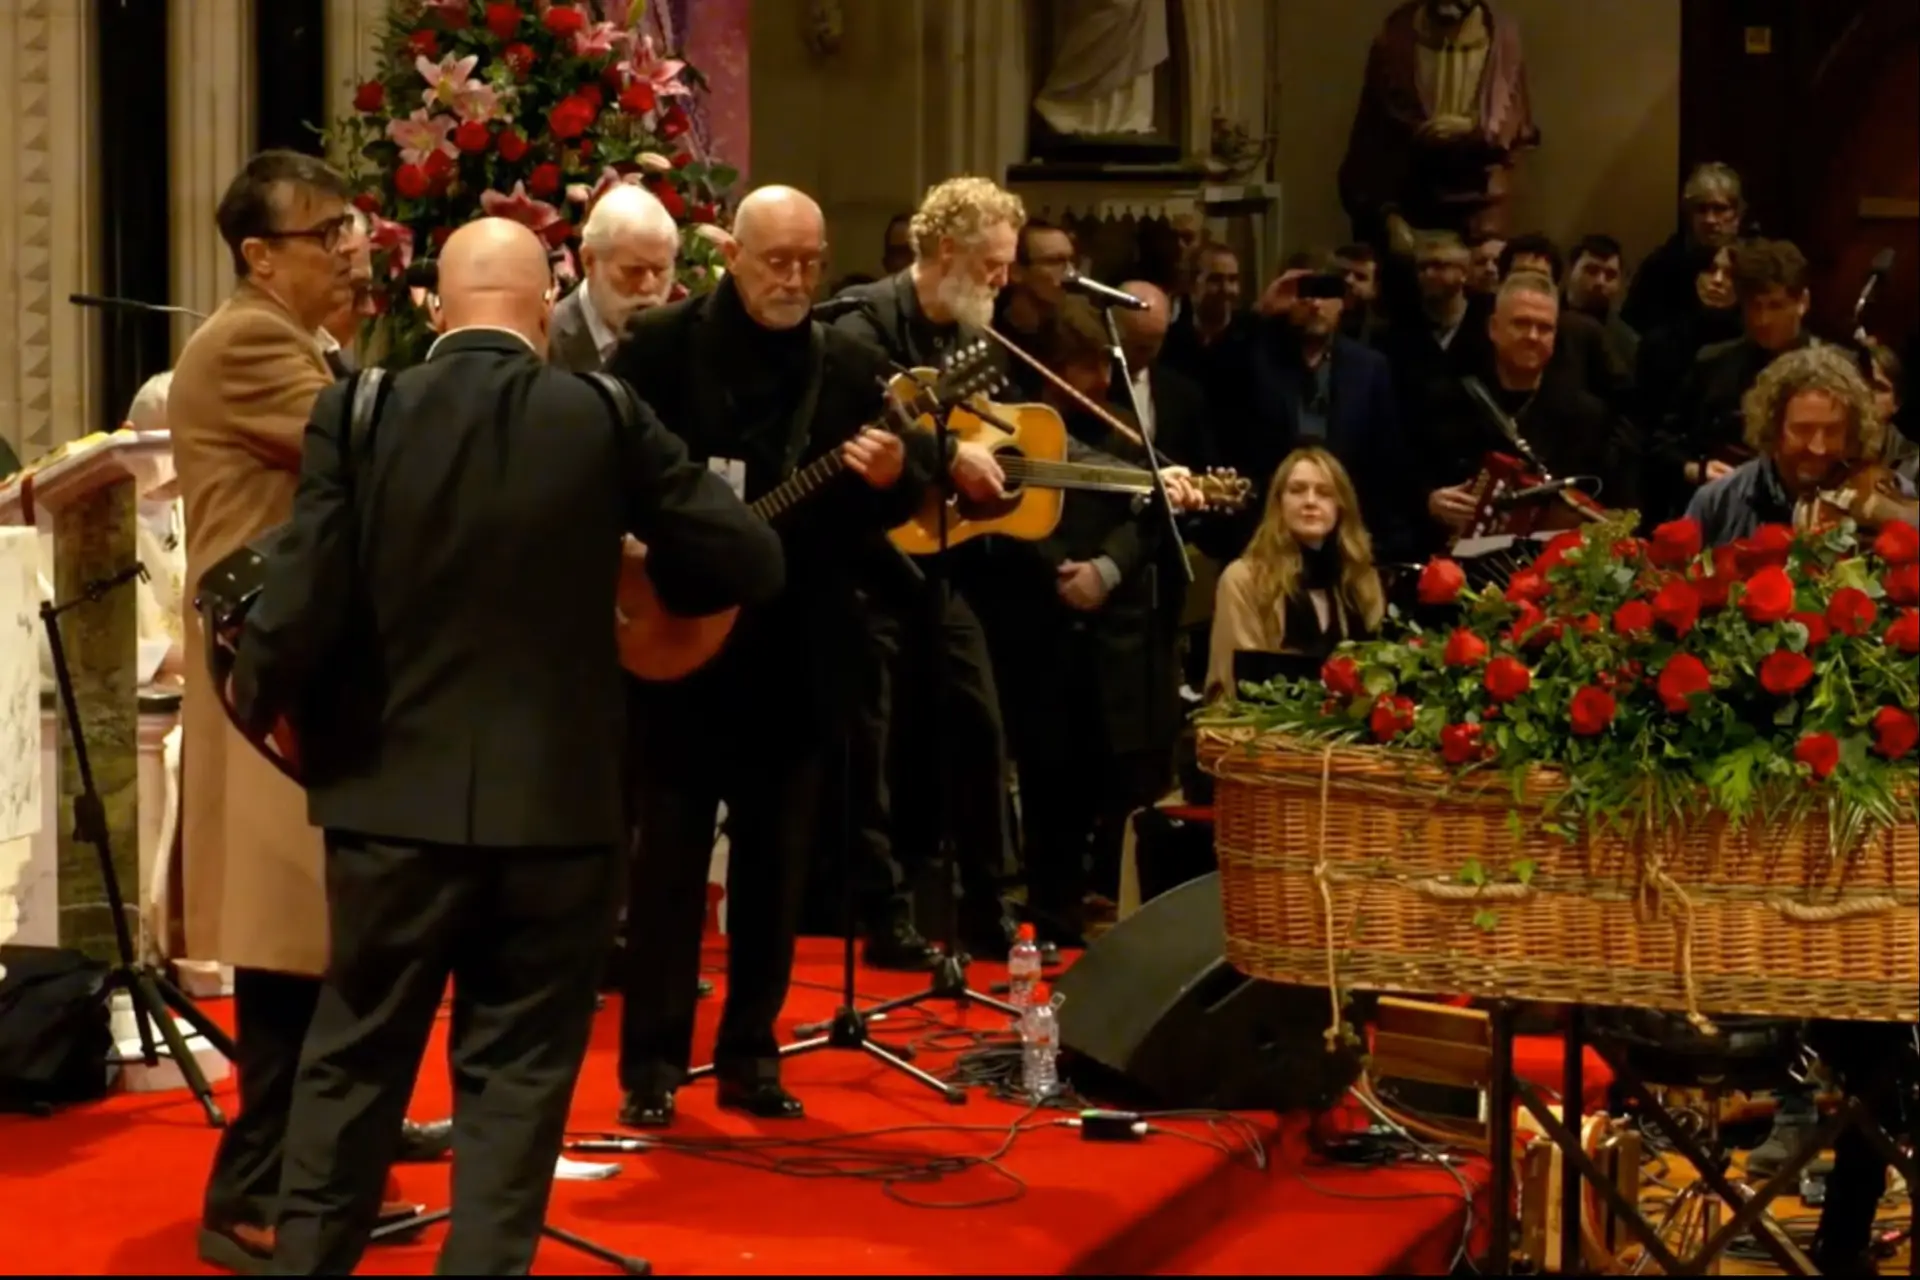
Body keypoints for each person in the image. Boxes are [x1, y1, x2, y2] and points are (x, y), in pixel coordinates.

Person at [229, 217, 783, 1274]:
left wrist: (263, 707)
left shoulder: (365, 407)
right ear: (543, 304)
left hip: (389, 804)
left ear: (438, 306)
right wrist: (640, 581)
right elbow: (747, 556)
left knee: (353, 1061)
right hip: (561, 812)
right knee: (517, 1077)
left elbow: (297, 599)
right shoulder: (604, 411)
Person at [167, 150, 443, 1276]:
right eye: (327, 232)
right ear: (259, 253)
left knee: (331, 938)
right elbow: (375, 449)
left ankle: (339, 1153)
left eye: (351, 227)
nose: (350, 247)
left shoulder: (301, 340)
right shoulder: (246, 341)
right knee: (292, 948)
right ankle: (252, 1192)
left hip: (307, 673)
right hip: (264, 679)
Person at [609, 185, 938, 1128]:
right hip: (677, 645)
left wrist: (894, 477)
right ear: (735, 258)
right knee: (667, 866)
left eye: (809, 261)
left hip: (797, 650)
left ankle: (751, 1051)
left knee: (773, 868)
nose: (794, 279)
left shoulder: (851, 361)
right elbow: (613, 471)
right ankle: (653, 1066)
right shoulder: (663, 348)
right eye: (775, 261)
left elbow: (901, 490)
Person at [1687, 343, 1912, 547]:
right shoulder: (1717, 502)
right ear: (1773, 428)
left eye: (1832, 430)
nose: (1818, 448)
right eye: (1802, 430)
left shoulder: (1887, 491)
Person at [1205, 448, 1386, 701]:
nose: (1310, 501)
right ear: (1279, 503)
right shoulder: (1243, 579)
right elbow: (1237, 686)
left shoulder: (1361, 579)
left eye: (1324, 493)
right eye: (1297, 490)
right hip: (1266, 731)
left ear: (1341, 506)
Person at [550, 183, 681, 372]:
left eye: (660, 270)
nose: (648, 286)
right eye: (633, 270)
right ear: (589, 261)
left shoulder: (686, 345)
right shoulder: (544, 344)